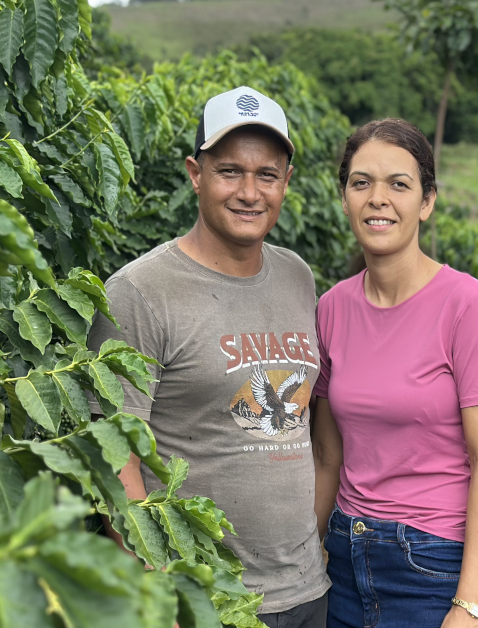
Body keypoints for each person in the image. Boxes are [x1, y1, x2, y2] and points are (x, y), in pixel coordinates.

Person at [88, 86, 329, 628]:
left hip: (309, 592)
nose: (249, 192)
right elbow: (112, 452)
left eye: (267, 174)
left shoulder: (297, 276)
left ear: (286, 182)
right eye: (229, 172)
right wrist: (155, 589)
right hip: (204, 600)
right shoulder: (140, 292)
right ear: (196, 174)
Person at [311, 119, 478, 628]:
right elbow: (328, 457)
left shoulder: (468, 306)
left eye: (399, 184)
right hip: (345, 564)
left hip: (432, 567)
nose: (378, 199)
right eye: (362, 183)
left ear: (426, 202)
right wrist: (309, 555)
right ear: (345, 198)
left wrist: (468, 605)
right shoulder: (331, 308)